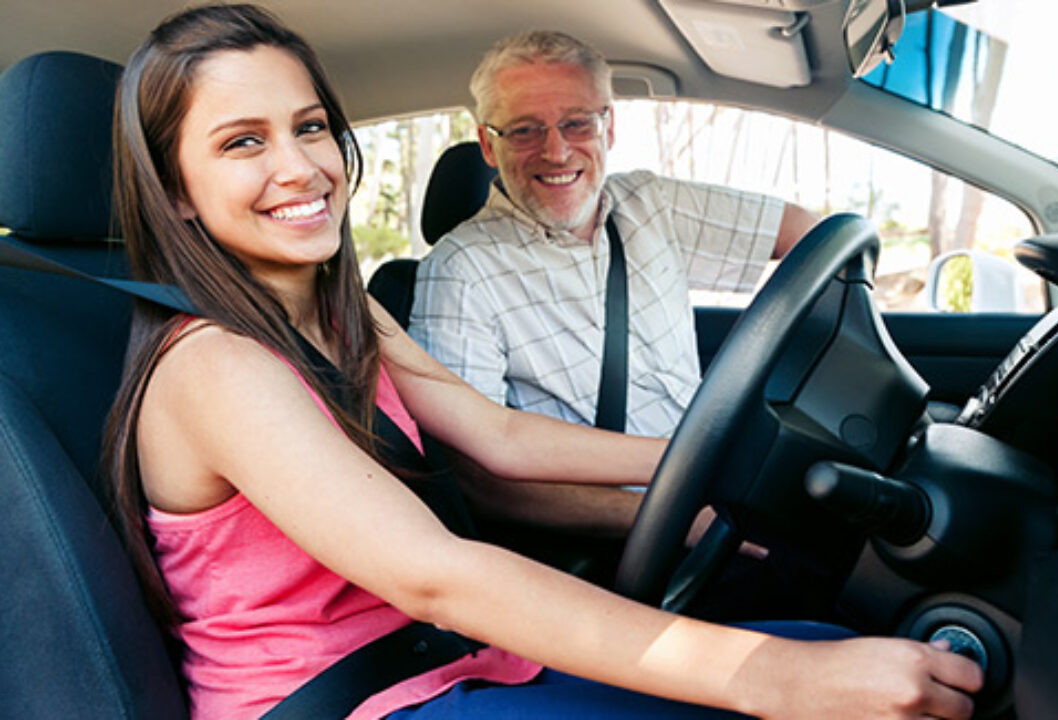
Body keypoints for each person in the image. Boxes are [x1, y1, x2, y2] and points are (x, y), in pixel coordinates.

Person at [103, 4, 981, 718]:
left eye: (310, 127)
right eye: (243, 142)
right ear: (176, 190)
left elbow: (500, 436)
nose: (301, 168)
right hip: (355, 699)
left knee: (824, 645)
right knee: (801, 671)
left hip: (443, 663)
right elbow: (434, 573)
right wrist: (767, 677)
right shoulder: (215, 363)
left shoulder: (341, 310)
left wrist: (702, 462)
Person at [407, 30, 820, 541]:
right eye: (525, 131)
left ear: (609, 127)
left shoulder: (652, 204)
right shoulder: (461, 270)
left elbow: (811, 237)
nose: (556, 151)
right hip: (626, 544)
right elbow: (480, 481)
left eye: (576, 123)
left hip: (720, 485)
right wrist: (673, 523)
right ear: (489, 146)